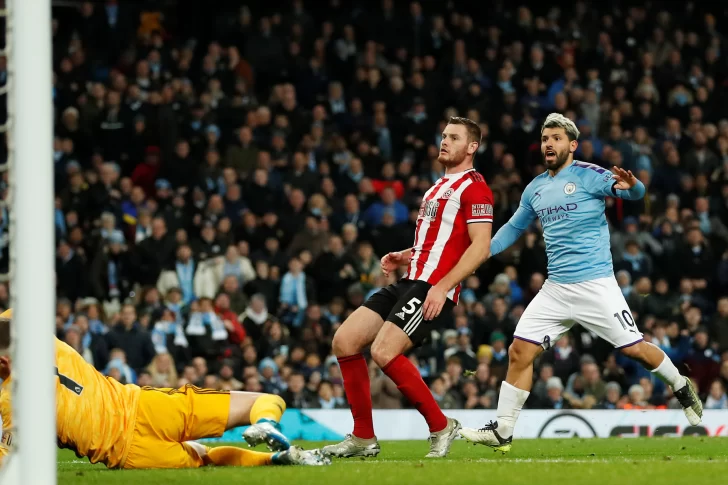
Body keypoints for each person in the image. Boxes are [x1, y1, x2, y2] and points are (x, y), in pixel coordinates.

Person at [459, 113, 702, 452]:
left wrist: (637, 187)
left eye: (556, 138)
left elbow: (632, 194)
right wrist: (482, 252)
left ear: (572, 145)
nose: (549, 144)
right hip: (556, 288)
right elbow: (514, 228)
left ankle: (680, 384)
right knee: (519, 350)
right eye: (545, 138)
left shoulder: (590, 175)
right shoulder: (535, 188)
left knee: (636, 350)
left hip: (596, 285)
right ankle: (503, 431)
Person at [322, 117, 493, 459]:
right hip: (410, 280)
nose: (444, 141)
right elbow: (436, 243)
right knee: (344, 341)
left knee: (384, 352)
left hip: (433, 288)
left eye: (454, 137)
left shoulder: (476, 188)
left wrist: (442, 287)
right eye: (443, 135)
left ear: (471, 147)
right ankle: (363, 438)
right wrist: (404, 255)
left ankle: (441, 426)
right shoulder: (436, 187)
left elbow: (480, 247)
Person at [0, 309, 328, 469]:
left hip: (126, 453)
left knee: (207, 461)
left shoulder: (10, 403)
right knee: (267, 400)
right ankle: (267, 424)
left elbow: (11, 459)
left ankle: (276, 460)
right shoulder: (39, 336)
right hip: (143, 407)